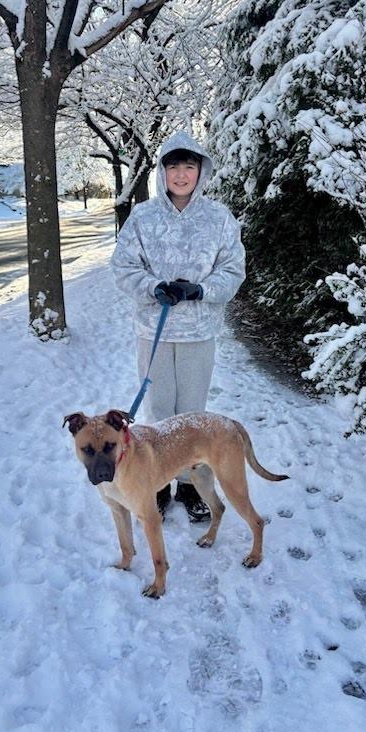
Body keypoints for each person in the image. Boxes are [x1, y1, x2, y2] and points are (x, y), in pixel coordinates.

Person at [110, 131, 246, 521]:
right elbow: (123, 267)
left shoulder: (219, 218)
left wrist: (200, 289)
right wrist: (154, 287)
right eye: (174, 167)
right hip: (153, 331)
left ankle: (192, 487)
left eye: (189, 167)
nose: (182, 175)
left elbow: (233, 269)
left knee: (191, 415)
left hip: (198, 333)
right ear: (162, 172)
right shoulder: (143, 217)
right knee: (158, 411)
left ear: (201, 171)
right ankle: (158, 484)